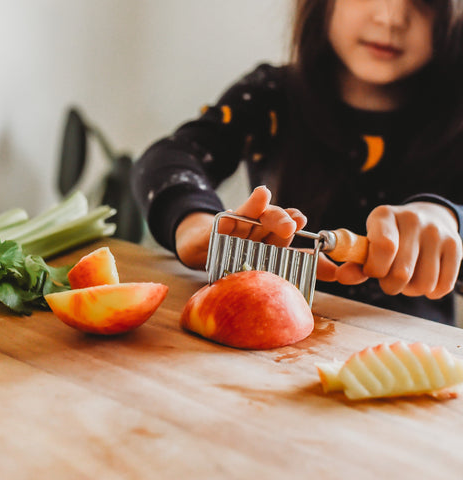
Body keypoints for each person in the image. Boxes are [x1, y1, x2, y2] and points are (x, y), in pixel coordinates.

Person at [132, 0, 463, 325]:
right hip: (265, 333)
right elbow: (171, 156)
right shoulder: (271, 95)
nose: (390, 17)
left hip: (410, 353)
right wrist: (194, 221)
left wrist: (451, 220)